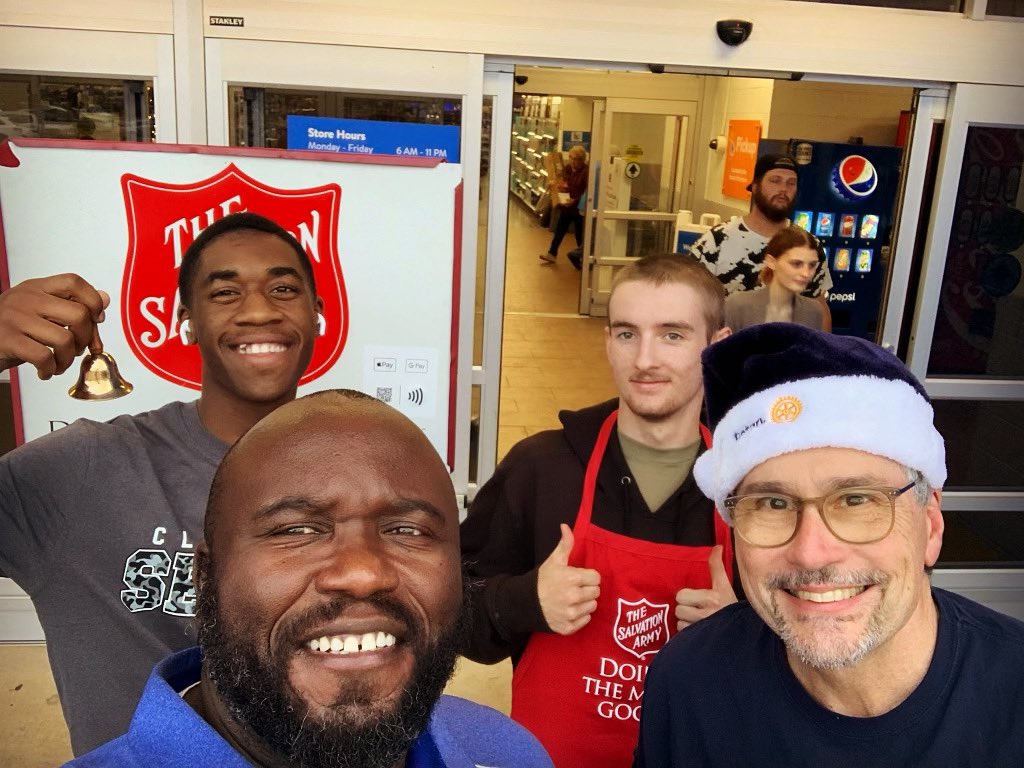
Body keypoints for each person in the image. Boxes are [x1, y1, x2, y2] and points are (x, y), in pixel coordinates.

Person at [65, 390, 553, 768]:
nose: (363, 574)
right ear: (206, 576)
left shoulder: (504, 750)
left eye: (407, 530)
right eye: (297, 530)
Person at [0, 211, 324, 755]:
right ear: (186, 321)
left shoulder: (359, 475)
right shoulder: (86, 470)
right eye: (225, 292)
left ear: (316, 314)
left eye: (284, 288)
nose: (259, 310)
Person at [634, 323, 1024, 767]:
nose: (811, 552)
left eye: (856, 500)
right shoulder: (689, 681)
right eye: (773, 503)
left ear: (931, 526)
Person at [461, 253, 739, 767]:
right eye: (627, 334)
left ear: (715, 347)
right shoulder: (541, 469)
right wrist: (523, 600)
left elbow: (817, 660)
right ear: (608, 341)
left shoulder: (749, 490)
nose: (645, 359)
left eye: (672, 335)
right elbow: (447, 613)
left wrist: (741, 631)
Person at [690, 153, 832, 330]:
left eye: (791, 183)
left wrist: (823, 346)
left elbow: (820, 309)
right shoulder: (716, 241)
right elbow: (689, 302)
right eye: (775, 181)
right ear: (755, 187)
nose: (783, 189)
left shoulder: (809, 245)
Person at [724, 225, 826, 332]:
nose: (806, 273)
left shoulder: (813, 311)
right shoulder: (738, 305)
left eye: (812, 265)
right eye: (796, 264)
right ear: (771, 262)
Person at [540, 144, 588, 266]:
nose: (572, 161)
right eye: (571, 158)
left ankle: (581, 256)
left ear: (582, 160)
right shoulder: (568, 168)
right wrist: (554, 185)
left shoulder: (586, 172)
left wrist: (574, 200)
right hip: (566, 206)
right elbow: (562, 182)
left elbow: (585, 192)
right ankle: (552, 253)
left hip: (578, 208)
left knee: (579, 234)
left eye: (576, 159)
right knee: (560, 230)